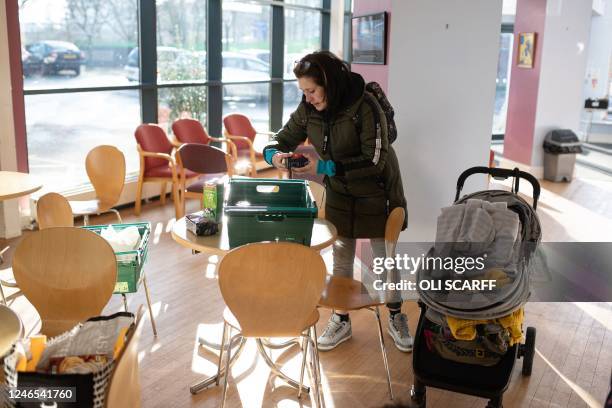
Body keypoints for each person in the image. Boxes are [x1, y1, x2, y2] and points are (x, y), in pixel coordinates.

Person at [263, 51, 412, 352]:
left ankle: (396, 316)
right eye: (303, 92)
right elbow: (281, 138)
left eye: (312, 90)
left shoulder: (365, 106)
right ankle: (341, 320)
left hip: (378, 190)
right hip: (342, 192)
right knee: (341, 256)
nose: (308, 98)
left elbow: (375, 160)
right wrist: (274, 155)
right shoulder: (309, 109)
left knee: (384, 259)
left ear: (329, 83)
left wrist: (323, 167)